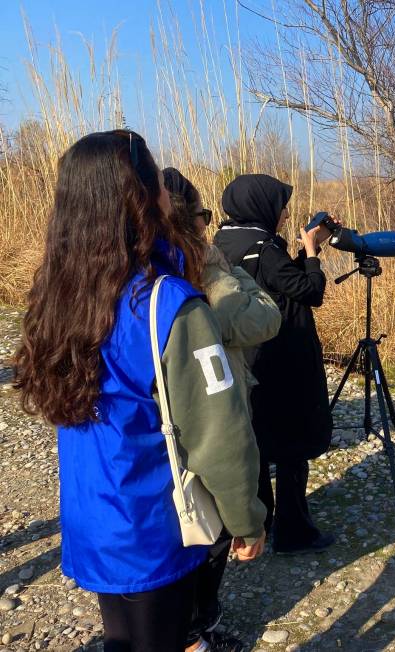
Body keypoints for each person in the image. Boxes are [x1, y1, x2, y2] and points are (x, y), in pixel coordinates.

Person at [13, 130, 266, 652]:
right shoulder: (170, 303)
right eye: (158, 180)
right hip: (152, 529)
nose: (170, 193)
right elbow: (219, 430)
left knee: (120, 642)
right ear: (141, 197)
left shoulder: (61, 297)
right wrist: (246, 517)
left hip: (94, 517)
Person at [163, 166, 282, 650]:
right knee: (209, 534)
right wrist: (221, 270)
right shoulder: (195, 286)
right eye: (200, 218)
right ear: (186, 224)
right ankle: (196, 634)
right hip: (207, 425)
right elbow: (263, 318)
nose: (208, 228)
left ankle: (188, 627)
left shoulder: (123, 282)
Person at [214, 174, 335, 555]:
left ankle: (258, 523)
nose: (285, 213)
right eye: (281, 205)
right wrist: (313, 253)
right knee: (292, 446)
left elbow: (281, 282)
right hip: (282, 357)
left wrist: (302, 255)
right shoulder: (265, 247)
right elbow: (310, 291)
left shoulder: (222, 241)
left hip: (245, 356)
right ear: (262, 206)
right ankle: (294, 532)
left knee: (259, 441)